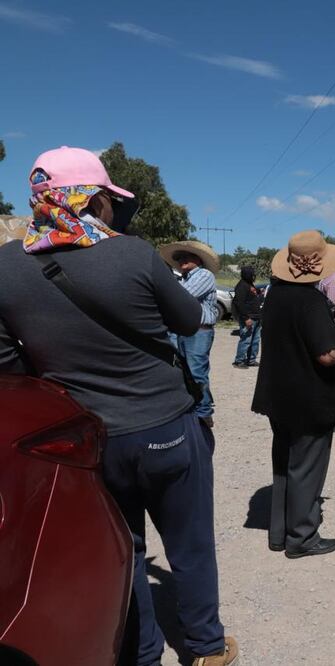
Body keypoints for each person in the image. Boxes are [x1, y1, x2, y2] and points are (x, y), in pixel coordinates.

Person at [0, 146, 237, 665]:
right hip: (165, 424)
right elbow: (188, 319)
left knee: (123, 549)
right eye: (110, 199)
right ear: (92, 201)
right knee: (190, 543)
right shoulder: (131, 253)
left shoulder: (6, 266)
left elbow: (5, 361)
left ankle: (141, 653)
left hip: (90, 437)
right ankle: (206, 647)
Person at [252, 230, 335, 559]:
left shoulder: (276, 296)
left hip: (278, 395)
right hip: (308, 398)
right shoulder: (310, 302)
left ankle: (280, 532)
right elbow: (327, 355)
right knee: (306, 467)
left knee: (284, 465)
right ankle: (302, 536)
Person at [160, 240, 220, 428]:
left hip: (198, 330)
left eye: (187, 256)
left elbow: (182, 297)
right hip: (183, 330)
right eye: (179, 258)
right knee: (183, 371)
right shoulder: (181, 279)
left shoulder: (204, 275)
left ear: (198, 259)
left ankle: (203, 413)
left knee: (196, 372)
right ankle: (193, 408)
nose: (181, 260)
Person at [232, 265, 262, 368]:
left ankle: (251, 360)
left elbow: (252, 296)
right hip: (249, 318)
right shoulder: (241, 286)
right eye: (252, 274)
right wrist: (246, 318)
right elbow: (240, 304)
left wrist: (259, 292)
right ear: (247, 274)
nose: (254, 276)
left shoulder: (249, 284)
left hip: (256, 317)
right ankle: (239, 361)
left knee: (255, 341)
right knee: (246, 340)